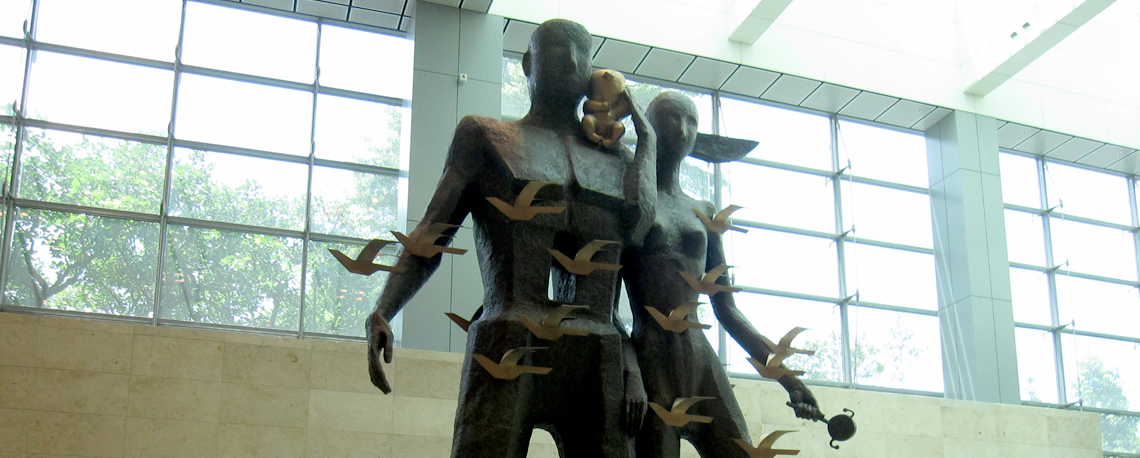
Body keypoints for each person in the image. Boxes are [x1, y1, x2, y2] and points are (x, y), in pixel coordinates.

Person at [364, 19, 656, 458]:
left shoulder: (619, 162)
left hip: (597, 350)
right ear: (527, 63)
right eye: (556, 49)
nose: (570, 61)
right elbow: (432, 234)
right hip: (508, 339)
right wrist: (384, 309)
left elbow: (640, 232)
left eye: (581, 53)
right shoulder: (486, 138)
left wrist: (647, 139)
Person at [621, 92, 823, 457]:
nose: (683, 129)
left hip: (700, 358)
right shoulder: (634, 205)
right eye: (672, 118)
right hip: (652, 358)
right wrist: (629, 370)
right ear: (648, 124)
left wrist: (789, 380)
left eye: (692, 121)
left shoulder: (705, 211)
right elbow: (604, 304)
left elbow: (728, 310)